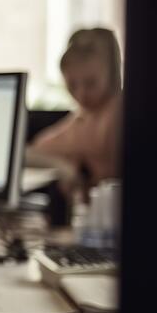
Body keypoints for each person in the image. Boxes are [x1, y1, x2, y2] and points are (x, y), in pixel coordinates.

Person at [27, 27, 123, 196]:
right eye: (72, 85)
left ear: (113, 73)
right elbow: (29, 153)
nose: (81, 95)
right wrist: (63, 166)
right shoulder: (82, 117)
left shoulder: (117, 114)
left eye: (91, 83)